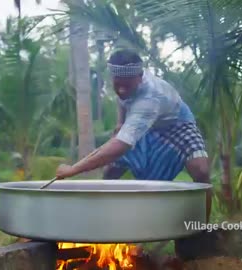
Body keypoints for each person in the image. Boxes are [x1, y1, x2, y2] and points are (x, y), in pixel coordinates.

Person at [55, 49, 212, 220]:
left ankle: (203, 227)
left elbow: (120, 146)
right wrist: (120, 122)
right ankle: (100, 216)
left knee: (201, 170)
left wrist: (73, 169)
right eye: (117, 84)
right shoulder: (125, 85)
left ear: (139, 77)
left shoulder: (150, 98)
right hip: (147, 124)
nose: (121, 90)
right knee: (113, 169)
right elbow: (122, 100)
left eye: (127, 85)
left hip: (177, 124)